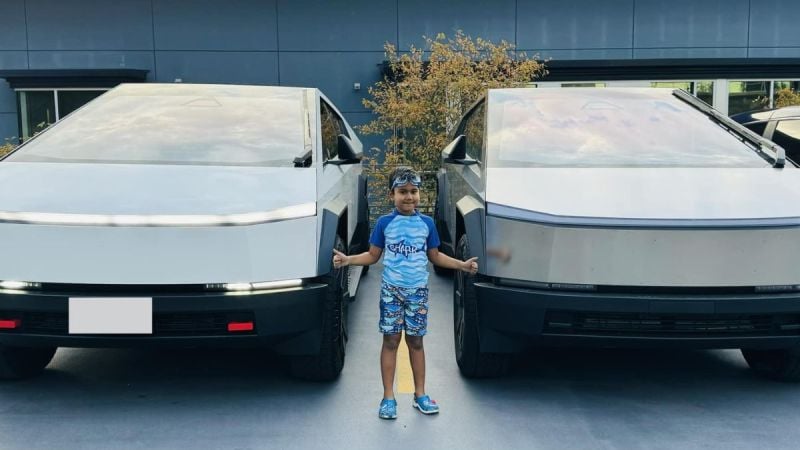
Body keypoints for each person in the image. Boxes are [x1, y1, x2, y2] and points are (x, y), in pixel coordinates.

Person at [332, 166, 478, 420]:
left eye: (414, 191)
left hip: (417, 293)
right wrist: (348, 261)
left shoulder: (427, 224)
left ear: (419, 194)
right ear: (392, 195)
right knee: (390, 342)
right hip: (391, 292)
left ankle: (420, 394)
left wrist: (462, 265)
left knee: (416, 342)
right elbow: (372, 256)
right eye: (402, 192)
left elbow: (435, 256)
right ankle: (388, 397)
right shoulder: (384, 223)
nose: (409, 197)